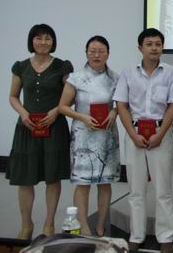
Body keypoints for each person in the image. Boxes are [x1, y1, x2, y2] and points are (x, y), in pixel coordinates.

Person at [113, 28, 173, 253]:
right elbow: (121, 105)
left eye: (158, 44)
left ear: (162, 47)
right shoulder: (128, 73)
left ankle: (166, 237)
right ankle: (136, 235)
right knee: (136, 189)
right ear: (140, 47)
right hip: (134, 132)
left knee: (163, 189)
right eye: (149, 44)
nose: (154, 48)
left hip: (161, 132)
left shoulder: (171, 73)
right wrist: (133, 135)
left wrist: (160, 134)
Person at [7, 24, 73, 239]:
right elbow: (13, 96)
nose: (43, 42)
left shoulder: (62, 67)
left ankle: (49, 224)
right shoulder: (21, 67)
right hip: (27, 128)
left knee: (53, 177)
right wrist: (23, 113)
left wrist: (56, 111)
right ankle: (26, 225)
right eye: (38, 38)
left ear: (53, 41)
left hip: (54, 128)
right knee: (25, 178)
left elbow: (70, 96)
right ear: (31, 41)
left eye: (47, 38)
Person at [58, 35, 120, 237]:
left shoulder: (115, 78)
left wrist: (114, 112)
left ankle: (101, 224)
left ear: (108, 54)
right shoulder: (75, 78)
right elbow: (62, 107)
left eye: (101, 51)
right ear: (86, 53)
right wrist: (82, 117)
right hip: (83, 136)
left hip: (106, 136)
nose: (96, 55)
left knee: (105, 182)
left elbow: (123, 104)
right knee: (83, 183)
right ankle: (83, 225)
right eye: (92, 51)